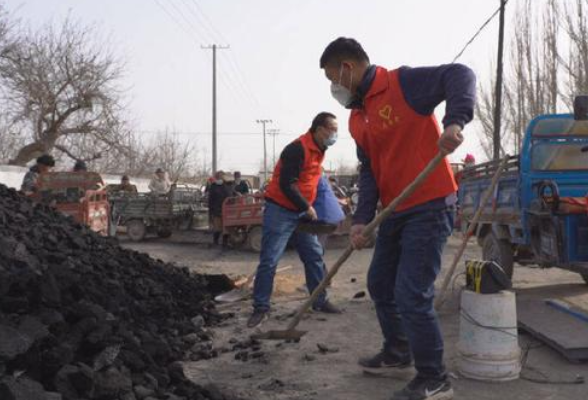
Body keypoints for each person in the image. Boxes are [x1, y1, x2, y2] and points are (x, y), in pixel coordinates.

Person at [320, 37, 475, 400]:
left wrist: (455, 122)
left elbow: (460, 74)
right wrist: (360, 219)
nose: (334, 86)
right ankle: (398, 350)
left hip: (431, 204)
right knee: (380, 284)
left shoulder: (402, 84)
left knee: (411, 293)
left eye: (333, 76)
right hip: (395, 209)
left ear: (348, 67)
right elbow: (369, 170)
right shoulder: (357, 118)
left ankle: (435, 378)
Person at [247, 112, 341, 328]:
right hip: (281, 211)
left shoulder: (319, 151)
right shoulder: (297, 149)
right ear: (319, 130)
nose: (335, 135)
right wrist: (306, 207)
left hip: (301, 212)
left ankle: (319, 300)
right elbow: (286, 185)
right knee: (270, 260)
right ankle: (261, 308)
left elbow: (313, 182)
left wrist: (326, 203)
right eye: (332, 130)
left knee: (314, 256)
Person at [208, 170, 233, 247]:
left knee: (226, 228)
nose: (219, 178)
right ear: (216, 177)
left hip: (226, 210)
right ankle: (215, 242)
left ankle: (225, 243)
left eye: (220, 176)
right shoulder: (213, 186)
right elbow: (210, 199)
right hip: (216, 210)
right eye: (218, 176)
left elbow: (230, 196)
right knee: (217, 228)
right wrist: (211, 211)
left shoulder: (227, 185)